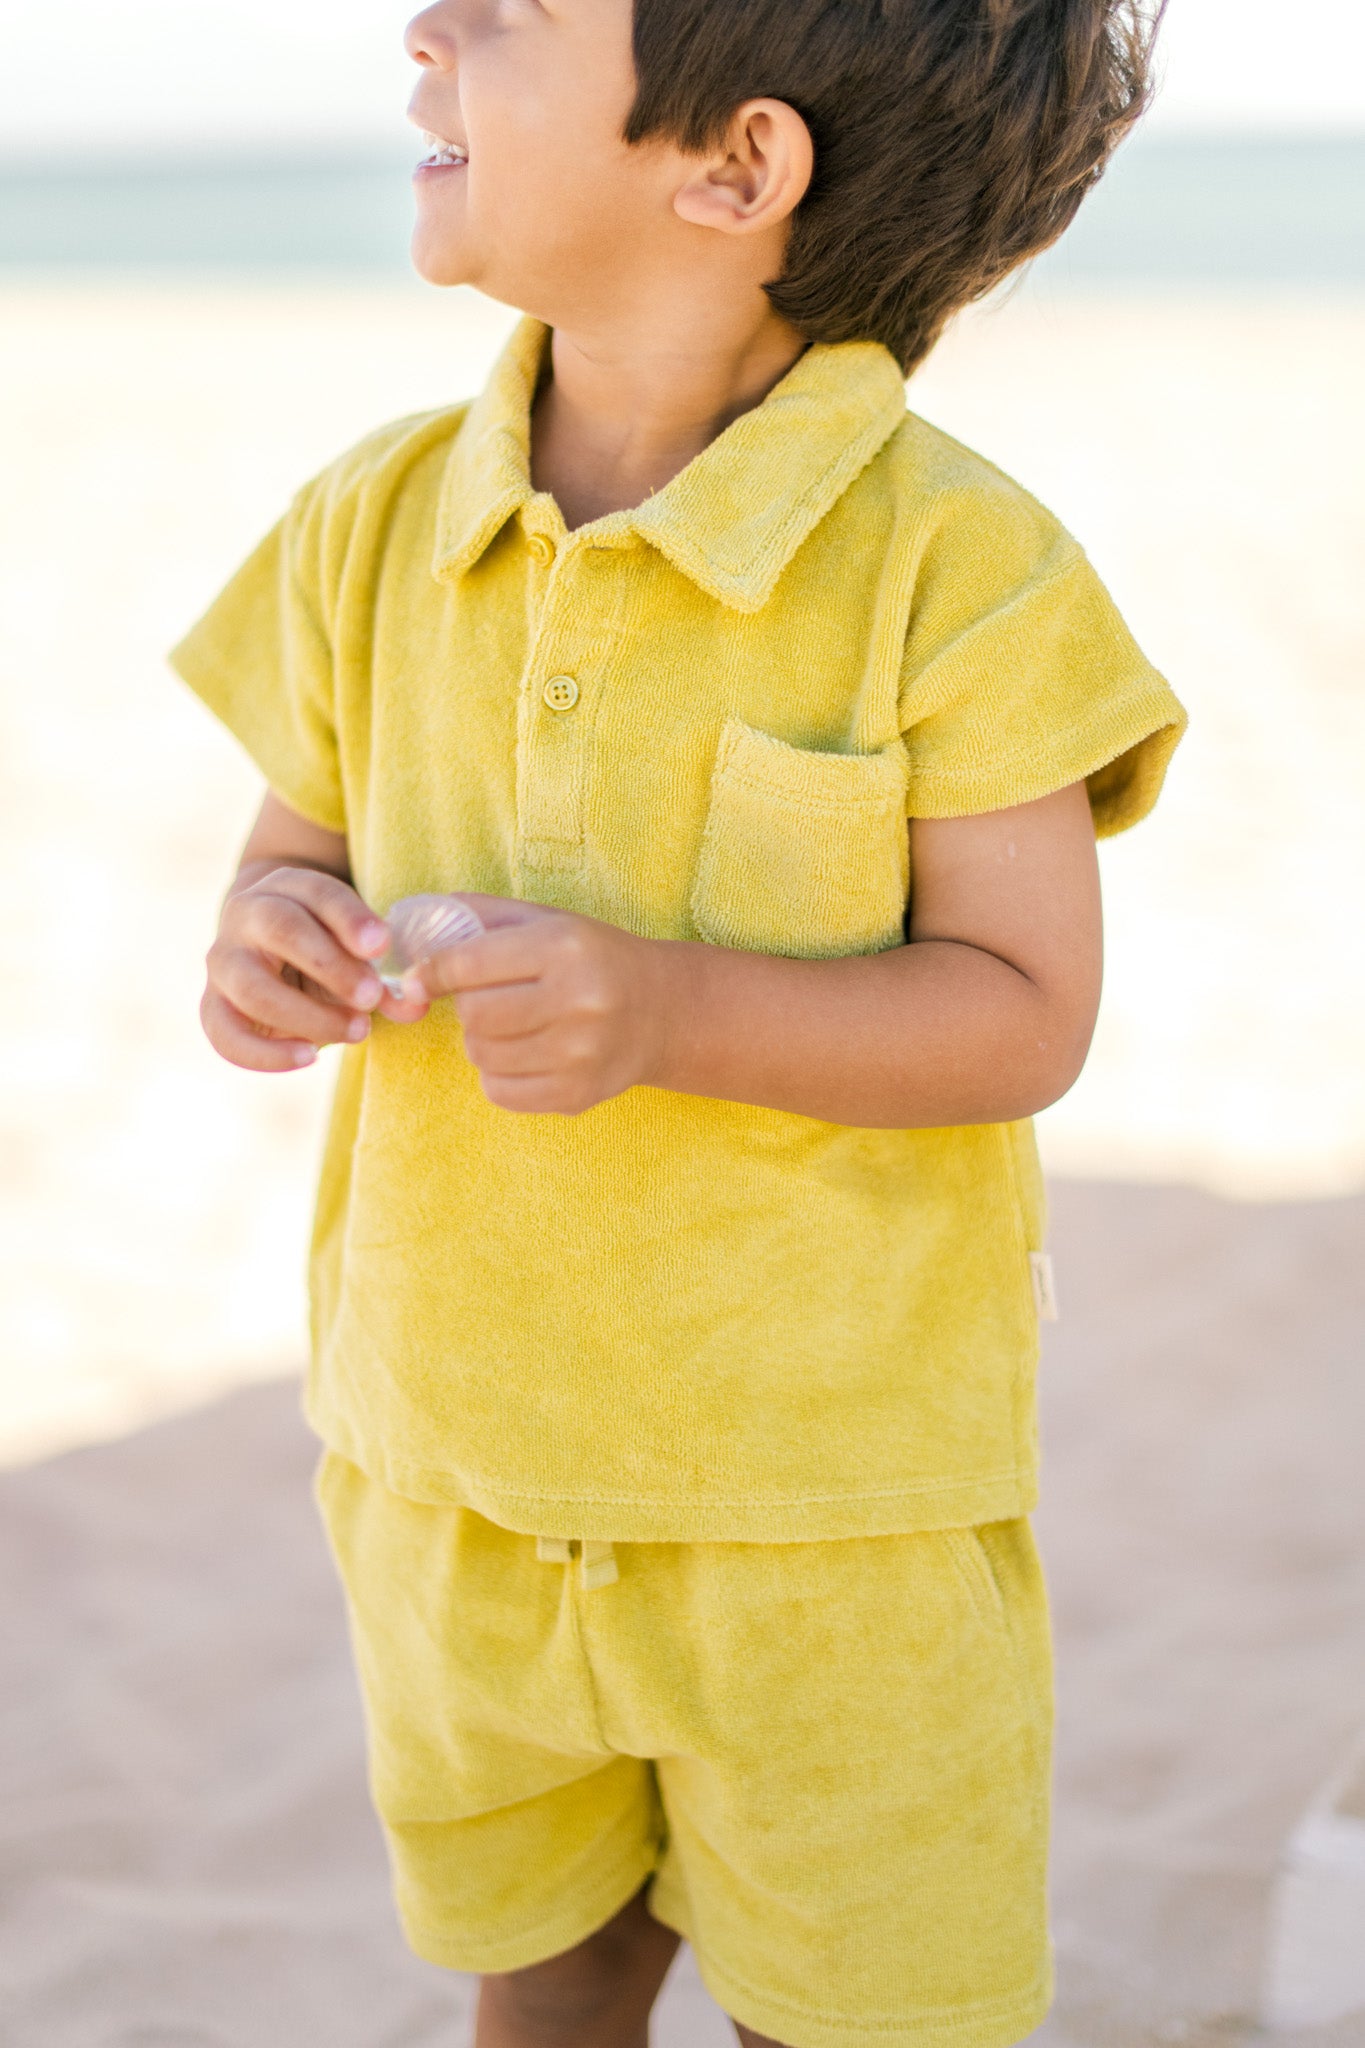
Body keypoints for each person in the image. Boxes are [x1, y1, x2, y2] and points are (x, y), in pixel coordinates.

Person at [171, 2, 1185, 2042]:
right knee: (542, 1978)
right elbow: (290, 858)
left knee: (851, 2013)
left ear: (734, 166)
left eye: (515, 12)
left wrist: (666, 1006)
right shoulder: (372, 521)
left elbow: (1020, 1013)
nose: (428, 27)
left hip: (826, 1527)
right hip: (452, 1473)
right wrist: (270, 941)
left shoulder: (958, 565)